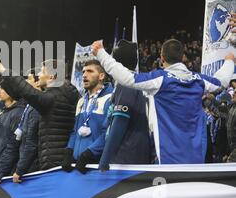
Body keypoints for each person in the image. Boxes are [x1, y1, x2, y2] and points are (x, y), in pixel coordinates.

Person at [92, 39, 235, 164]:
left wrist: (101, 54)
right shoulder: (199, 80)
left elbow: (127, 78)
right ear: (182, 57)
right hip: (195, 159)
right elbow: (221, 82)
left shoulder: (161, 79)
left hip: (168, 160)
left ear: (162, 57)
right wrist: (230, 61)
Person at [0, 59, 79, 170]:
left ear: (52, 76)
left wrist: (3, 70)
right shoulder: (66, 94)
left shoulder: (53, 97)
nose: (38, 75)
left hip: (54, 162)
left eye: (42, 72)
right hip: (60, 159)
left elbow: (27, 91)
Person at [98, 40, 152, 171]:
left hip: (126, 159)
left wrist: (104, 161)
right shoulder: (138, 82)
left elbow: (119, 123)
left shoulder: (126, 84)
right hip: (136, 155)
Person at [62, 60, 114, 174]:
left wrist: (90, 153)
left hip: (96, 165)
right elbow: (75, 131)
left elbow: (108, 133)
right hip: (78, 164)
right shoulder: (81, 101)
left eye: (90, 71)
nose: (84, 75)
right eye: (83, 72)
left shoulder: (110, 98)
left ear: (101, 76)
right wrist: (69, 150)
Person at [0, 71, 41, 184]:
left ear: (37, 82)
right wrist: (1, 171)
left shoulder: (36, 108)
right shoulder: (28, 107)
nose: (25, 83)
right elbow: (15, 142)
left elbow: (31, 143)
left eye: (28, 80)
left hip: (32, 170)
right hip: (25, 169)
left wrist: (20, 169)